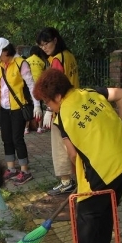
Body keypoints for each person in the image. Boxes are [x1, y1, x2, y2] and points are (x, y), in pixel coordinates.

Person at [33, 68, 122, 243]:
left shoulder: (63, 116)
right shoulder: (90, 92)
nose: (48, 106)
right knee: (108, 201)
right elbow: (121, 94)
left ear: (57, 96)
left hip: (106, 167)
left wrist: (79, 185)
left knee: (86, 210)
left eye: (47, 102)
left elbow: (73, 156)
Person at [0, 38, 42, 185]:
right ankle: (11, 168)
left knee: (17, 139)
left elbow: (31, 85)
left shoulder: (22, 64)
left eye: (0, 54)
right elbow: (0, 86)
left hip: (18, 108)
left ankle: (25, 171)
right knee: (6, 138)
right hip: (4, 108)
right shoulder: (1, 65)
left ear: (7, 51)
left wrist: (37, 105)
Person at [36, 27, 80, 196]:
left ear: (55, 40)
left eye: (46, 43)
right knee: (73, 145)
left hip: (60, 109)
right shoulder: (69, 56)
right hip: (73, 105)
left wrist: (49, 109)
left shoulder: (57, 60)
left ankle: (66, 181)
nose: (44, 48)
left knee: (61, 146)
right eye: (41, 45)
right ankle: (79, 180)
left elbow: (54, 87)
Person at [25, 45, 48, 134]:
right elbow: (43, 75)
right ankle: (39, 127)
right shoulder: (41, 62)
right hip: (38, 87)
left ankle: (26, 128)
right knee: (39, 106)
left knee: (28, 106)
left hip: (27, 87)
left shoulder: (26, 61)